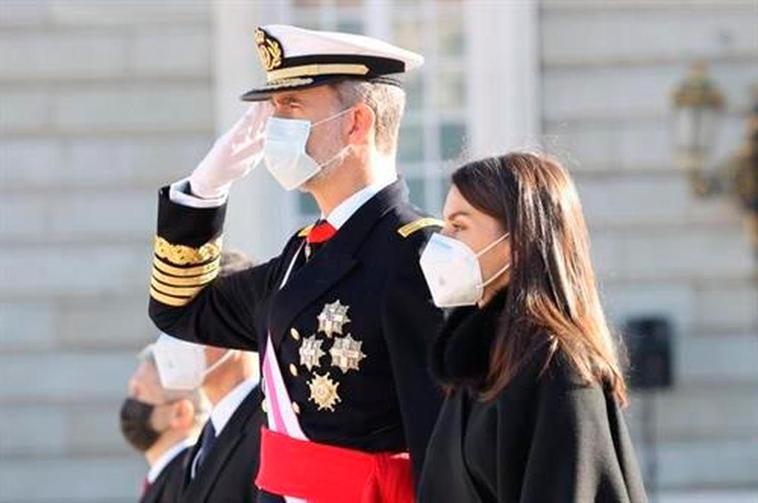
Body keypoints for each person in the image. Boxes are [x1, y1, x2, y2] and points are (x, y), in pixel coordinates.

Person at [146, 24, 443, 502]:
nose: (271, 126)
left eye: (292, 107)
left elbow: (437, 437)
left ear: (356, 123)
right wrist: (203, 192)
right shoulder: (299, 256)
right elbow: (180, 310)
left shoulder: (416, 256)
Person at [417, 152, 647, 502]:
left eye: (459, 226)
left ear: (518, 242)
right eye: (445, 224)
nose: (441, 238)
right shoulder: (476, 363)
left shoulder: (556, 367)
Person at [151, 250, 265, 503]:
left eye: (193, 318)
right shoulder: (206, 438)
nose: (178, 335)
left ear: (232, 324)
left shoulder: (270, 428)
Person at [120, 344, 208, 503]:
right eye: (132, 391)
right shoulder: (168, 477)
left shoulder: (188, 480)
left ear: (180, 413)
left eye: (139, 392)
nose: (131, 402)